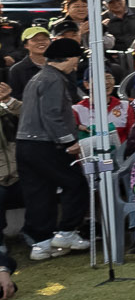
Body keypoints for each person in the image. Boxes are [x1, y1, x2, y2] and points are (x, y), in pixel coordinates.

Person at [16, 42, 89, 261]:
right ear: (68, 58)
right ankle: (66, 233)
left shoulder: (37, 77)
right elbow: (52, 115)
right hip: (45, 144)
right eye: (76, 59)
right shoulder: (54, 79)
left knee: (39, 193)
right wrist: (69, 141)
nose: (77, 65)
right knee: (75, 184)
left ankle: (41, 243)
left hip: (25, 144)